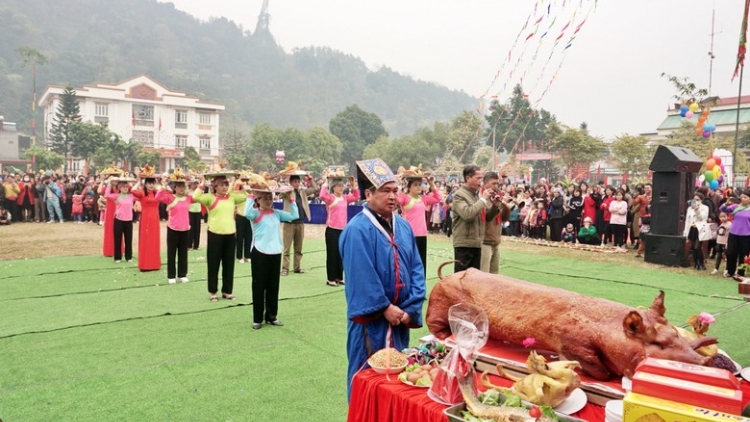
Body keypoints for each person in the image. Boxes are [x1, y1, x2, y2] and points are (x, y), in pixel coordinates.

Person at [339, 158, 426, 400]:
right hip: (371, 324)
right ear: (368, 193)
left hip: (400, 321)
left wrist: (410, 308)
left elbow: (417, 268)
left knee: (397, 381)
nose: (392, 196)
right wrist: (385, 307)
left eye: (395, 191)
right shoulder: (357, 230)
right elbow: (360, 276)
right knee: (368, 382)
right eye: (385, 191)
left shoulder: (404, 227)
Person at [244, 185, 299, 330]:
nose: (268, 201)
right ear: (259, 200)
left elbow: (294, 216)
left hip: (275, 253)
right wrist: (251, 196)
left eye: (270, 198)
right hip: (259, 253)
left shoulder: (276, 213)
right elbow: (246, 213)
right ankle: (257, 319)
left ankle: (271, 316)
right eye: (265, 198)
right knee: (259, 286)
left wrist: (290, 199)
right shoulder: (255, 214)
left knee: (273, 286)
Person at [192, 172, 248, 302]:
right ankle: (213, 292)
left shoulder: (231, 197)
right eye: (221, 185)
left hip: (230, 234)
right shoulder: (209, 198)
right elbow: (195, 197)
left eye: (226, 184)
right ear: (215, 187)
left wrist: (240, 184)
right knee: (213, 264)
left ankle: (227, 291)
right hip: (215, 235)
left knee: (229, 264)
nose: (224, 187)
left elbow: (246, 197)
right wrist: (202, 183)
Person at [397, 174, 441, 278]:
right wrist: (399, 184)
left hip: (422, 235)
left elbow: (438, 198)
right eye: (415, 185)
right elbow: (397, 200)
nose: (419, 187)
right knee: (410, 263)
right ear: (409, 187)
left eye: (419, 185)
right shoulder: (405, 198)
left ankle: (421, 287)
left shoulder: (423, 199)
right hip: (409, 235)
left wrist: (431, 184)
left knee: (421, 263)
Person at [320, 174, 359, 286]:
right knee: (332, 254)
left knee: (341, 254)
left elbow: (356, 196)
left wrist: (353, 186)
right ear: (333, 187)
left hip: (343, 230)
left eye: (342, 186)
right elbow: (322, 195)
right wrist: (326, 182)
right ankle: (330, 278)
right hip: (332, 230)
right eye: (338, 186)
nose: (341, 188)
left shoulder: (345, 198)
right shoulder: (330, 198)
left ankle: (339, 276)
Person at [451, 165, 492, 272]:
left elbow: (487, 217)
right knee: (462, 279)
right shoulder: (459, 195)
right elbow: (467, 215)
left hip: (476, 243)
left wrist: (496, 205)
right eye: (477, 178)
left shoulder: (477, 196)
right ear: (468, 178)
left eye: (481, 179)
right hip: (464, 244)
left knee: (474, 279)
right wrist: (483, 200)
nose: (480, 182)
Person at [156, 168, 193, 284]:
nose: (181, 188)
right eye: (179, 186)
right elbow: (157, 198)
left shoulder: (188, 198)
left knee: (183, 253)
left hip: (185, 229)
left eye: (183, 186)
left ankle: (182, 274)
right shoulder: (170, 198)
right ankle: (171, 275)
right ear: (175, 188)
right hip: (173, 228)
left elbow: (199, 197)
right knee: (171, 252)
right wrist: (164, 185)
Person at [281, 173, 318, 276]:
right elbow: (281, 192)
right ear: (291, 182)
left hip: (300, 222)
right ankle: (285, 269)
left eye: (298, 182)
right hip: (289, 223)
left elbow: (315, 188)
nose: (296, 184)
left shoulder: (302, 192)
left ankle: (297, 267)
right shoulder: (287, 192)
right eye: (294, 182)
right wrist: (287, 186)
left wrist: (310, 178)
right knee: (287, 248)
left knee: (299, 248)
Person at [131, 166, 162, 272]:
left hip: (155, 220)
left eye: (153, 183)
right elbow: (132, 190)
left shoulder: (157, 193)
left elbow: (168, 192)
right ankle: (145, 264)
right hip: (145, 220)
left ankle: (154, 264)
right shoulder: (142, 193)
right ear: (145, 184)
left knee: (154, 240)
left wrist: (161, 183)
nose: (151, 185)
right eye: (149, 183)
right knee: (146, 240)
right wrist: (139, 181)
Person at [480, 171, 511, 274]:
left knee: (495, 275)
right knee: (483, 276)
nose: (496, 186)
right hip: (485, 241)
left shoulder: (496, 196)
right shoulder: (481, 197)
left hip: (496, 241)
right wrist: (496, 205)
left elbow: (504, 219)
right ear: (484, 183)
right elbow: (487, 217)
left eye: (497, 183)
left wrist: (506, 206)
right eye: (493, 183)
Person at [105, 177, 135, 263]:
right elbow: (107, 195)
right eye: (123, 186)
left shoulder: (131, 196)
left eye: (126, 186)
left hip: (129, 221)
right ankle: (117, 257)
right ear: (119, 188)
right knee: (118, 239)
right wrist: (109, 183)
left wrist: (137, 182)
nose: (125, 188)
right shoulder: (116, 196)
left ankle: (128, 257)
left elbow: (139, 194)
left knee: (128, 240)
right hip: (118, 220)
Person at [684, 192, 710, 271]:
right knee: (693, 247)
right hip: (692, 228)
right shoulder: (689, 209)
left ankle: (701, 263)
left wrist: (697, 209)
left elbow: (702, 218)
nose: (695, 201)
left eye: (697, 199)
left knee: (697, 247)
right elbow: (687, 221)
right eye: (694, 199)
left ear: (701, 200)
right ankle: (696, 263)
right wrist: (685, 232)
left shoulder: (705, 207)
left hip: (700, 229)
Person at [234, 172, 253, 263]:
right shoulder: (237, 192)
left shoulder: (250, 191)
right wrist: (238, 181)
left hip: (249, 216)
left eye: (246, 180)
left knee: (249, 236)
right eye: (243, 180)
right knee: (239, 237)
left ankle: (247, 256)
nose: (245, 183)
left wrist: (249, 190)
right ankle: (239, 256)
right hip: (240, 216)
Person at [187, 179, 204, 250]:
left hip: (198, 211)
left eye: (197, 184)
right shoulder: (187, 192)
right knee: (190, 229)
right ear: (191, 184)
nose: (195, 185)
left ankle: (196, 245)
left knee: (197, 229)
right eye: (194, 184)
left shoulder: (200, 192)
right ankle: (189, 245)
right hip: (190, 211)